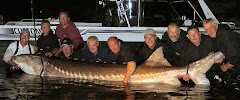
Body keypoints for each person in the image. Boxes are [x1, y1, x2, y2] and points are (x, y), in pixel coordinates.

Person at [202, 18, 240, 83]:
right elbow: (227, 49)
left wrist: (225, 67)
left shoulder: (226, 35)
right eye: (206, 30)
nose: (209, 31)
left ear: (216, 25)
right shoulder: (219, 35)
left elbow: (234, 57)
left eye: (210, 28)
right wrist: (222, 57)